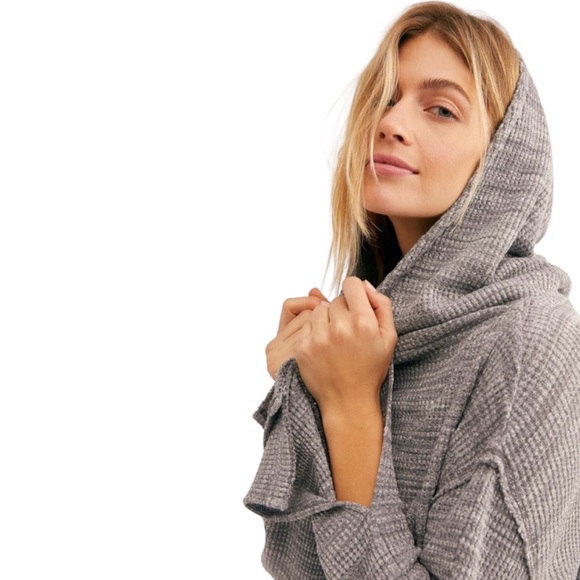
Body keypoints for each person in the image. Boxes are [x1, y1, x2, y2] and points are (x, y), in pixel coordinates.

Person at [244, 2, 580, 578]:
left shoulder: (532, 341)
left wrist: (349, 405)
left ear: (504, 161)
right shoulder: (364, 338)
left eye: (442, 109)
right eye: (386, 98)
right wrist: (307, 388)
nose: (390, 123)